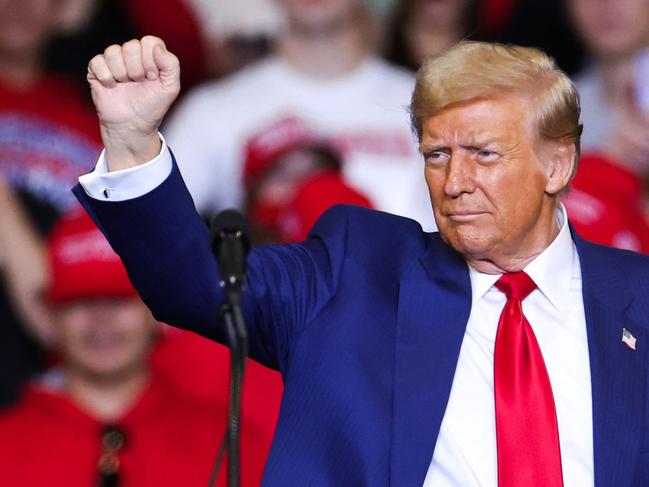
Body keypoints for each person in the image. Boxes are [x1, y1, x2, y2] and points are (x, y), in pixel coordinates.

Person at [75, 37, 649, 485]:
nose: (454, 182)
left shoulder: (637, 298)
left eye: (484, 155)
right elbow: (193, 286)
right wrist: (131, 141)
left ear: (558, 165)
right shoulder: (355, 275)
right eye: (437, 155)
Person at [0, 210, 274, 487]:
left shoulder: (230, 446)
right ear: (50, 314)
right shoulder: (6, 444)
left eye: (119, 300)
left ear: (159, 312)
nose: (101, 319)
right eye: (81, 301)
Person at [163, 0, 435, 230]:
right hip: (267, 289)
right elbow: (144, 234)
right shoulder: (211, 109)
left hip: (409, 289)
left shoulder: (427, 101)